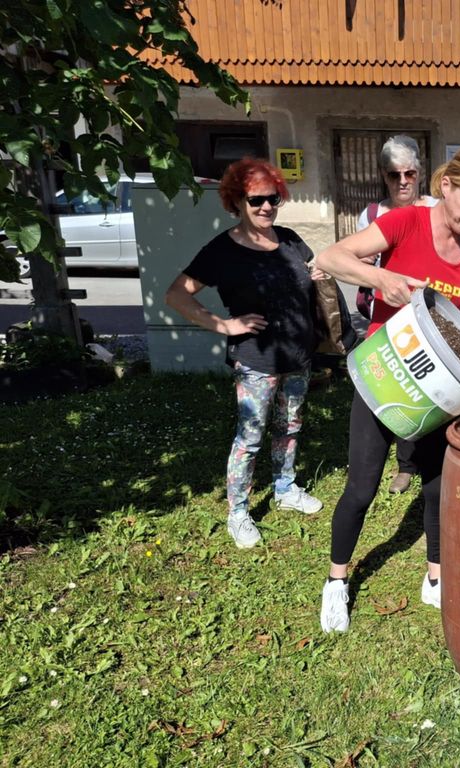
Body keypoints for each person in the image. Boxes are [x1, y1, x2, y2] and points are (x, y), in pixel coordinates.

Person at [315, 146, 460, 633]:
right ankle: (336, 581)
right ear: (447, 187)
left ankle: (436, 576)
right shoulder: (404, 223)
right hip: (386, 376)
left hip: (438, 388)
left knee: (437, 484)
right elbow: (330, 257)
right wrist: (381, 277)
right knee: (362, 488)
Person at [165, 158, 325, 550]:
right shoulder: (222, 250)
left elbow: (307, 276)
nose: (266, 207)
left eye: (273, 198)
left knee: (290, 426)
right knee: (250, 437)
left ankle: (285, 488)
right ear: (237, 201)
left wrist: (316, 276)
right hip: (256, 361)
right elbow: (176, 294)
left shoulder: (289, 240)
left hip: (298, 355)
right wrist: (224, 325)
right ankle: (238, 512)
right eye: (256, 200)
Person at [356, 135, 438, 495]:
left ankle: (419, 465)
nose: (402, 181)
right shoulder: (373, 215)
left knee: (422, 390)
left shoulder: (435, 208)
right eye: (394, 175)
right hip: (387, 318)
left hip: (426, 316)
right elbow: (359, 262)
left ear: (420, 172)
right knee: (393, 388)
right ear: (383, 175)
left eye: (409, 173)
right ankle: (400, 465)